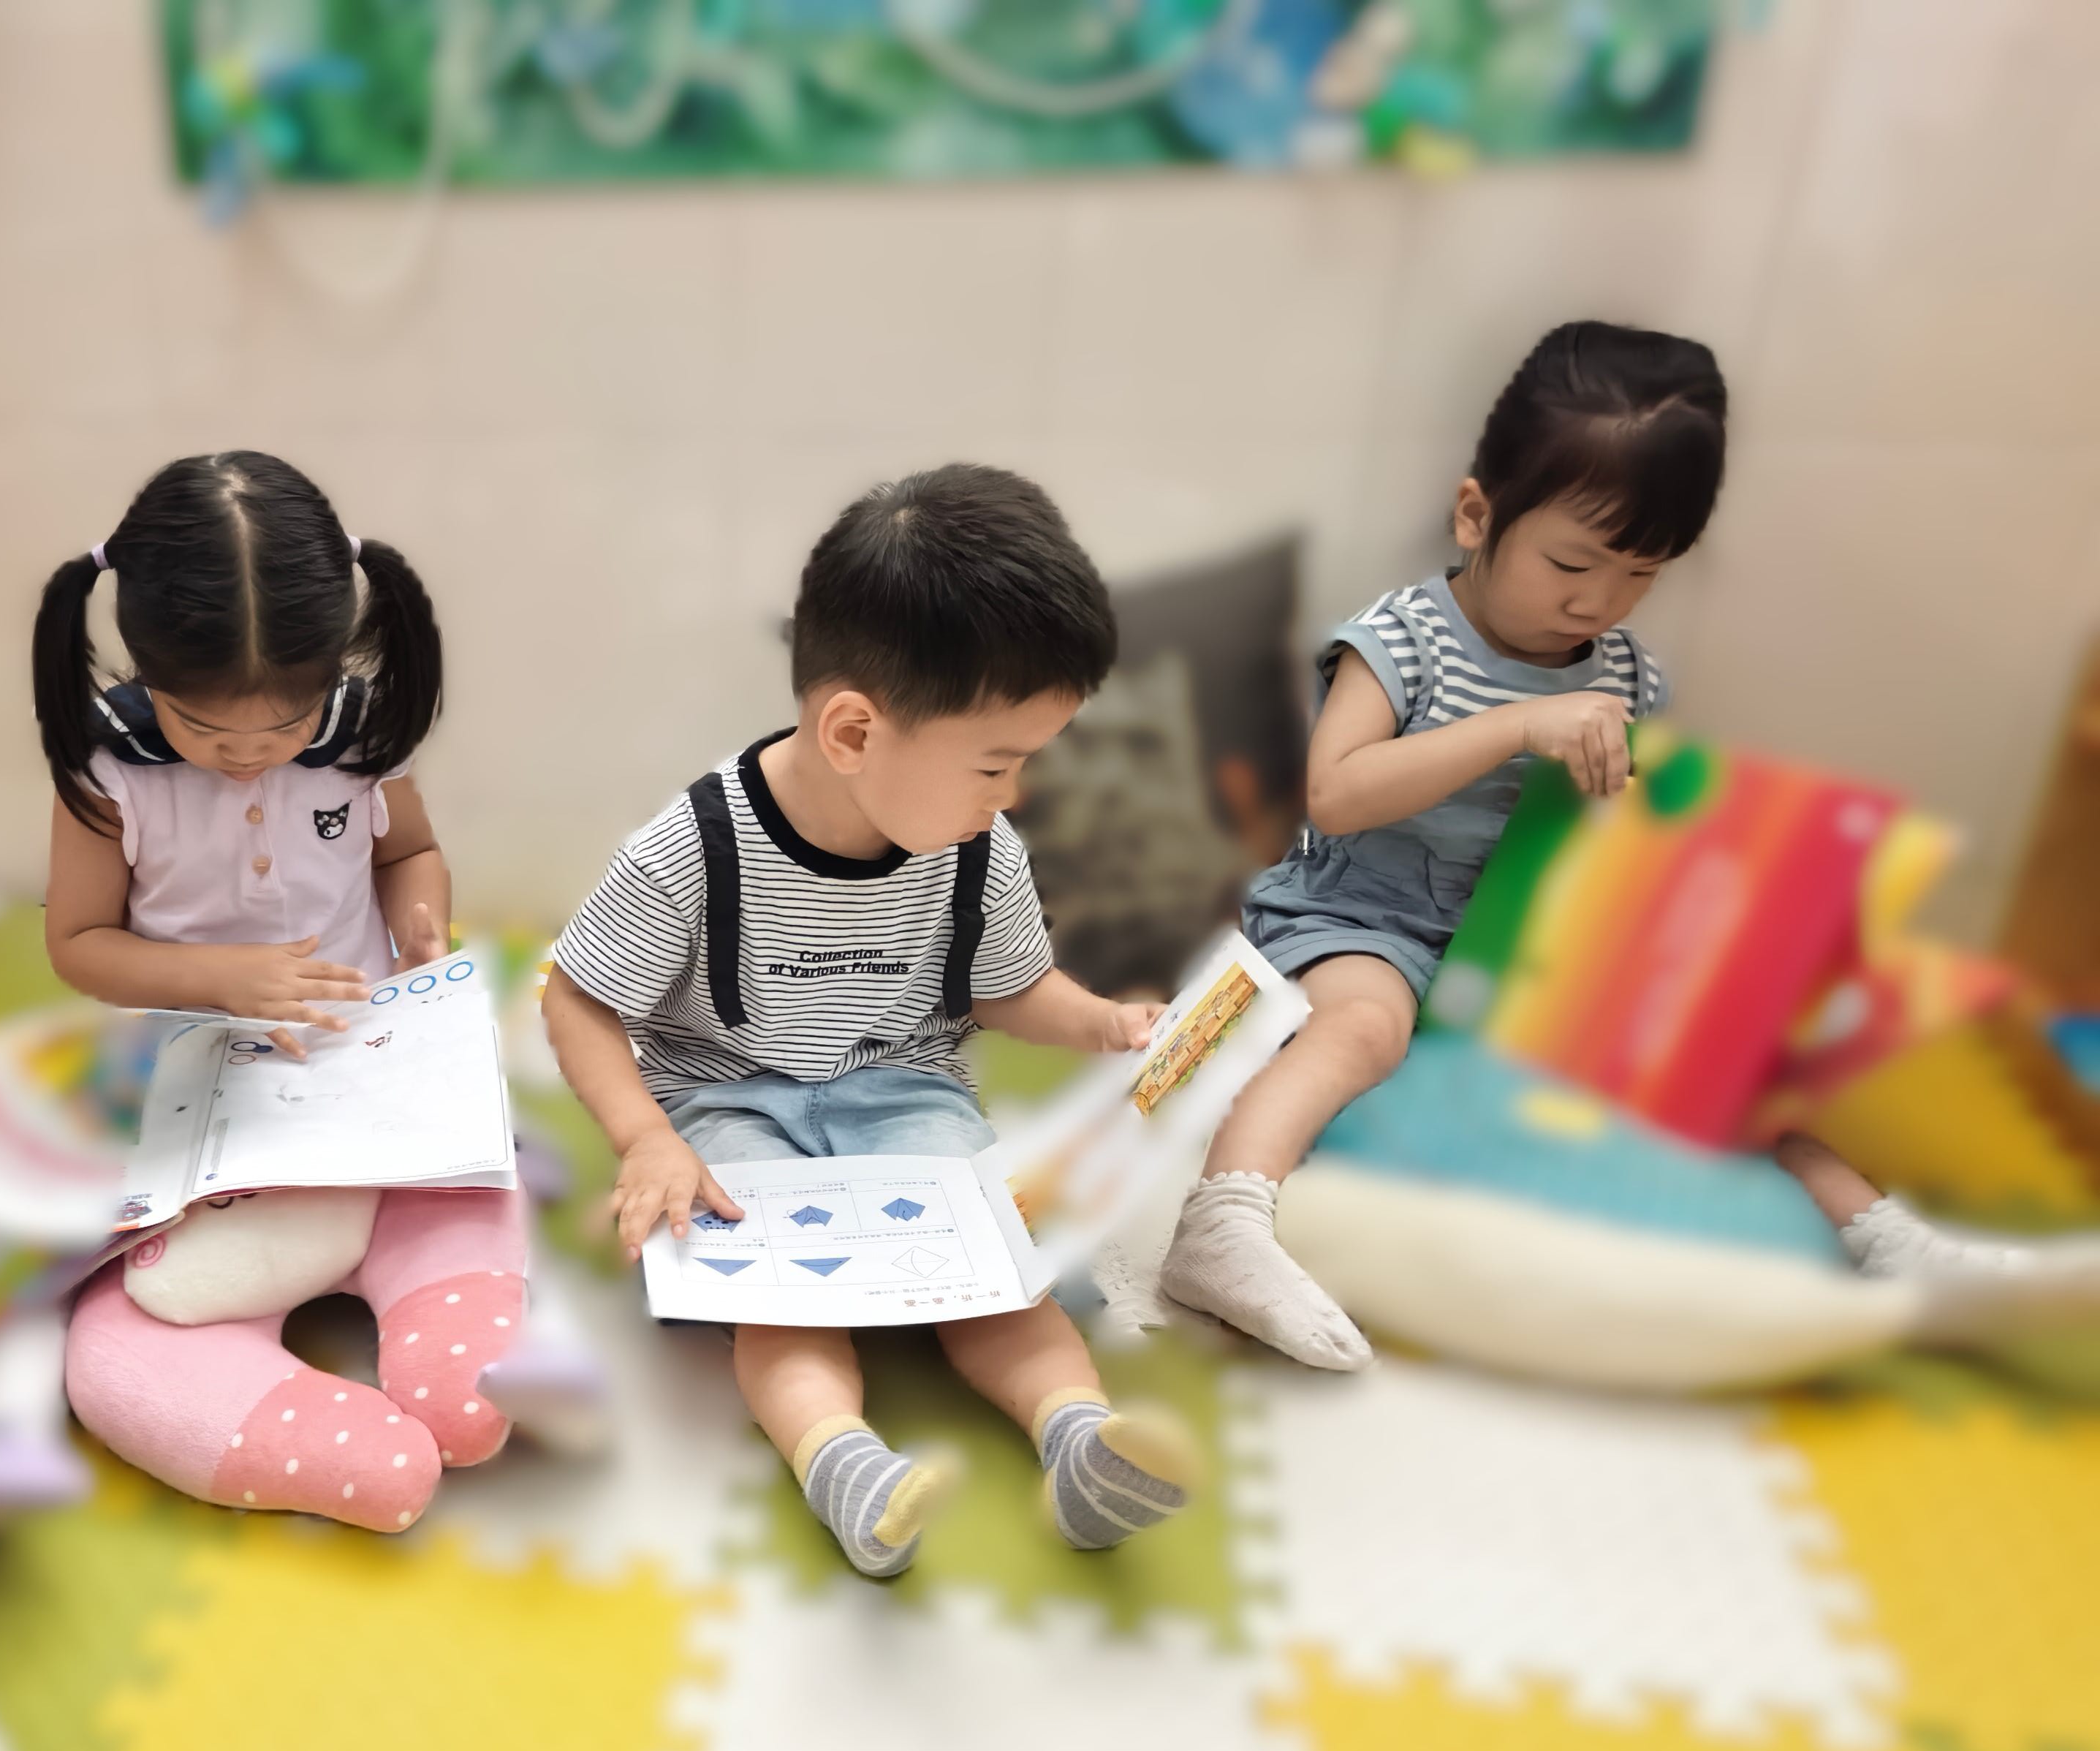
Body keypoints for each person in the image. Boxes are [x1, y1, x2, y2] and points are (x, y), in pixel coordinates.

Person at [1164, 321, 2051, 1370]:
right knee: (1366, 1027)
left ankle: (1890, 1244)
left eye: (1641, 573)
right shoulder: (1403, 638)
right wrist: (1515, 726)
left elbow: (1625, 849)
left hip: (1528, 948)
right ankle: (1223, 1225)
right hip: (1365, 920)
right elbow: (1337, 794)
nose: (1597, 601)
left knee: (1727, 1068)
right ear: (1476, 515)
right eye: (1570, 562)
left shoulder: (1627, 676)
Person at [542, 465, 1207, 1579]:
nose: (1012, 794)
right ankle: (843, 1464)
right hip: (727, 1101)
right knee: (786, 1306)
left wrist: (1102, 1024)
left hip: (907, 1093)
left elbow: (1002, 986)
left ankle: (1080, 1442)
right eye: (996, 763)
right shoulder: (693, 848)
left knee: (1002, 1273)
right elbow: (577, 996)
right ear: (852, 731)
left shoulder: (977, 846)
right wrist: (645, 1137)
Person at [36, 451, 529, 1532]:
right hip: (195, 1085)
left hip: (357, 1061)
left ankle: (445, 1342)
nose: (250, 758)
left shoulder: (358, 732)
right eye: (209, 733)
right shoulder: (109, 771)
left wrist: (420, 922)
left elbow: (411, 853)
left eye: (283, 730)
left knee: (468, 1183)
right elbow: (77, 944)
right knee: (115, 1314)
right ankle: (281, 1425)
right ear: (149, 676)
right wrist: (225, 979)